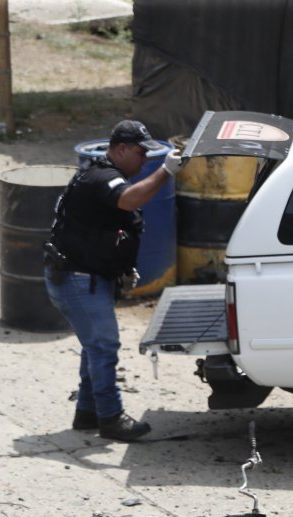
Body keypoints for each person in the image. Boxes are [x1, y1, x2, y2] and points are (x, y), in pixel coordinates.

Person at [44, 120, 185, 441]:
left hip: (83, 277)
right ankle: (110, 418)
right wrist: (166, 171)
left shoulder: (107, 174)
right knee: (104, 345)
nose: (143, 161)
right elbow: (130, 200)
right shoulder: (100, 177)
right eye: (140, 153)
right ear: (120, 149)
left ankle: (87, 411)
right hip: (77, 279)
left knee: (94, 345)